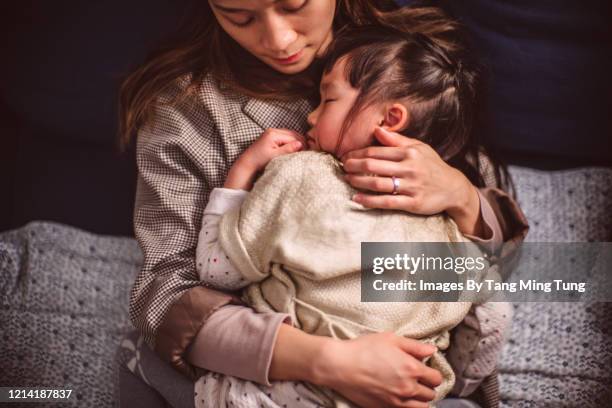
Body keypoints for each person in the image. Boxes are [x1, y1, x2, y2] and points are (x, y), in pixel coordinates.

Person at [116, 1, 528, 407]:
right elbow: (165, 296)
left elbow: (503, 271)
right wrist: (324, 361)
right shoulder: (186, 109)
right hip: (273, 369)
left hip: (417, 375)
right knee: (142, 358)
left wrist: (459, 194)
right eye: (238, 16)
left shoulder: (417, 58)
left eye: (294, 5)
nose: (278, 40)